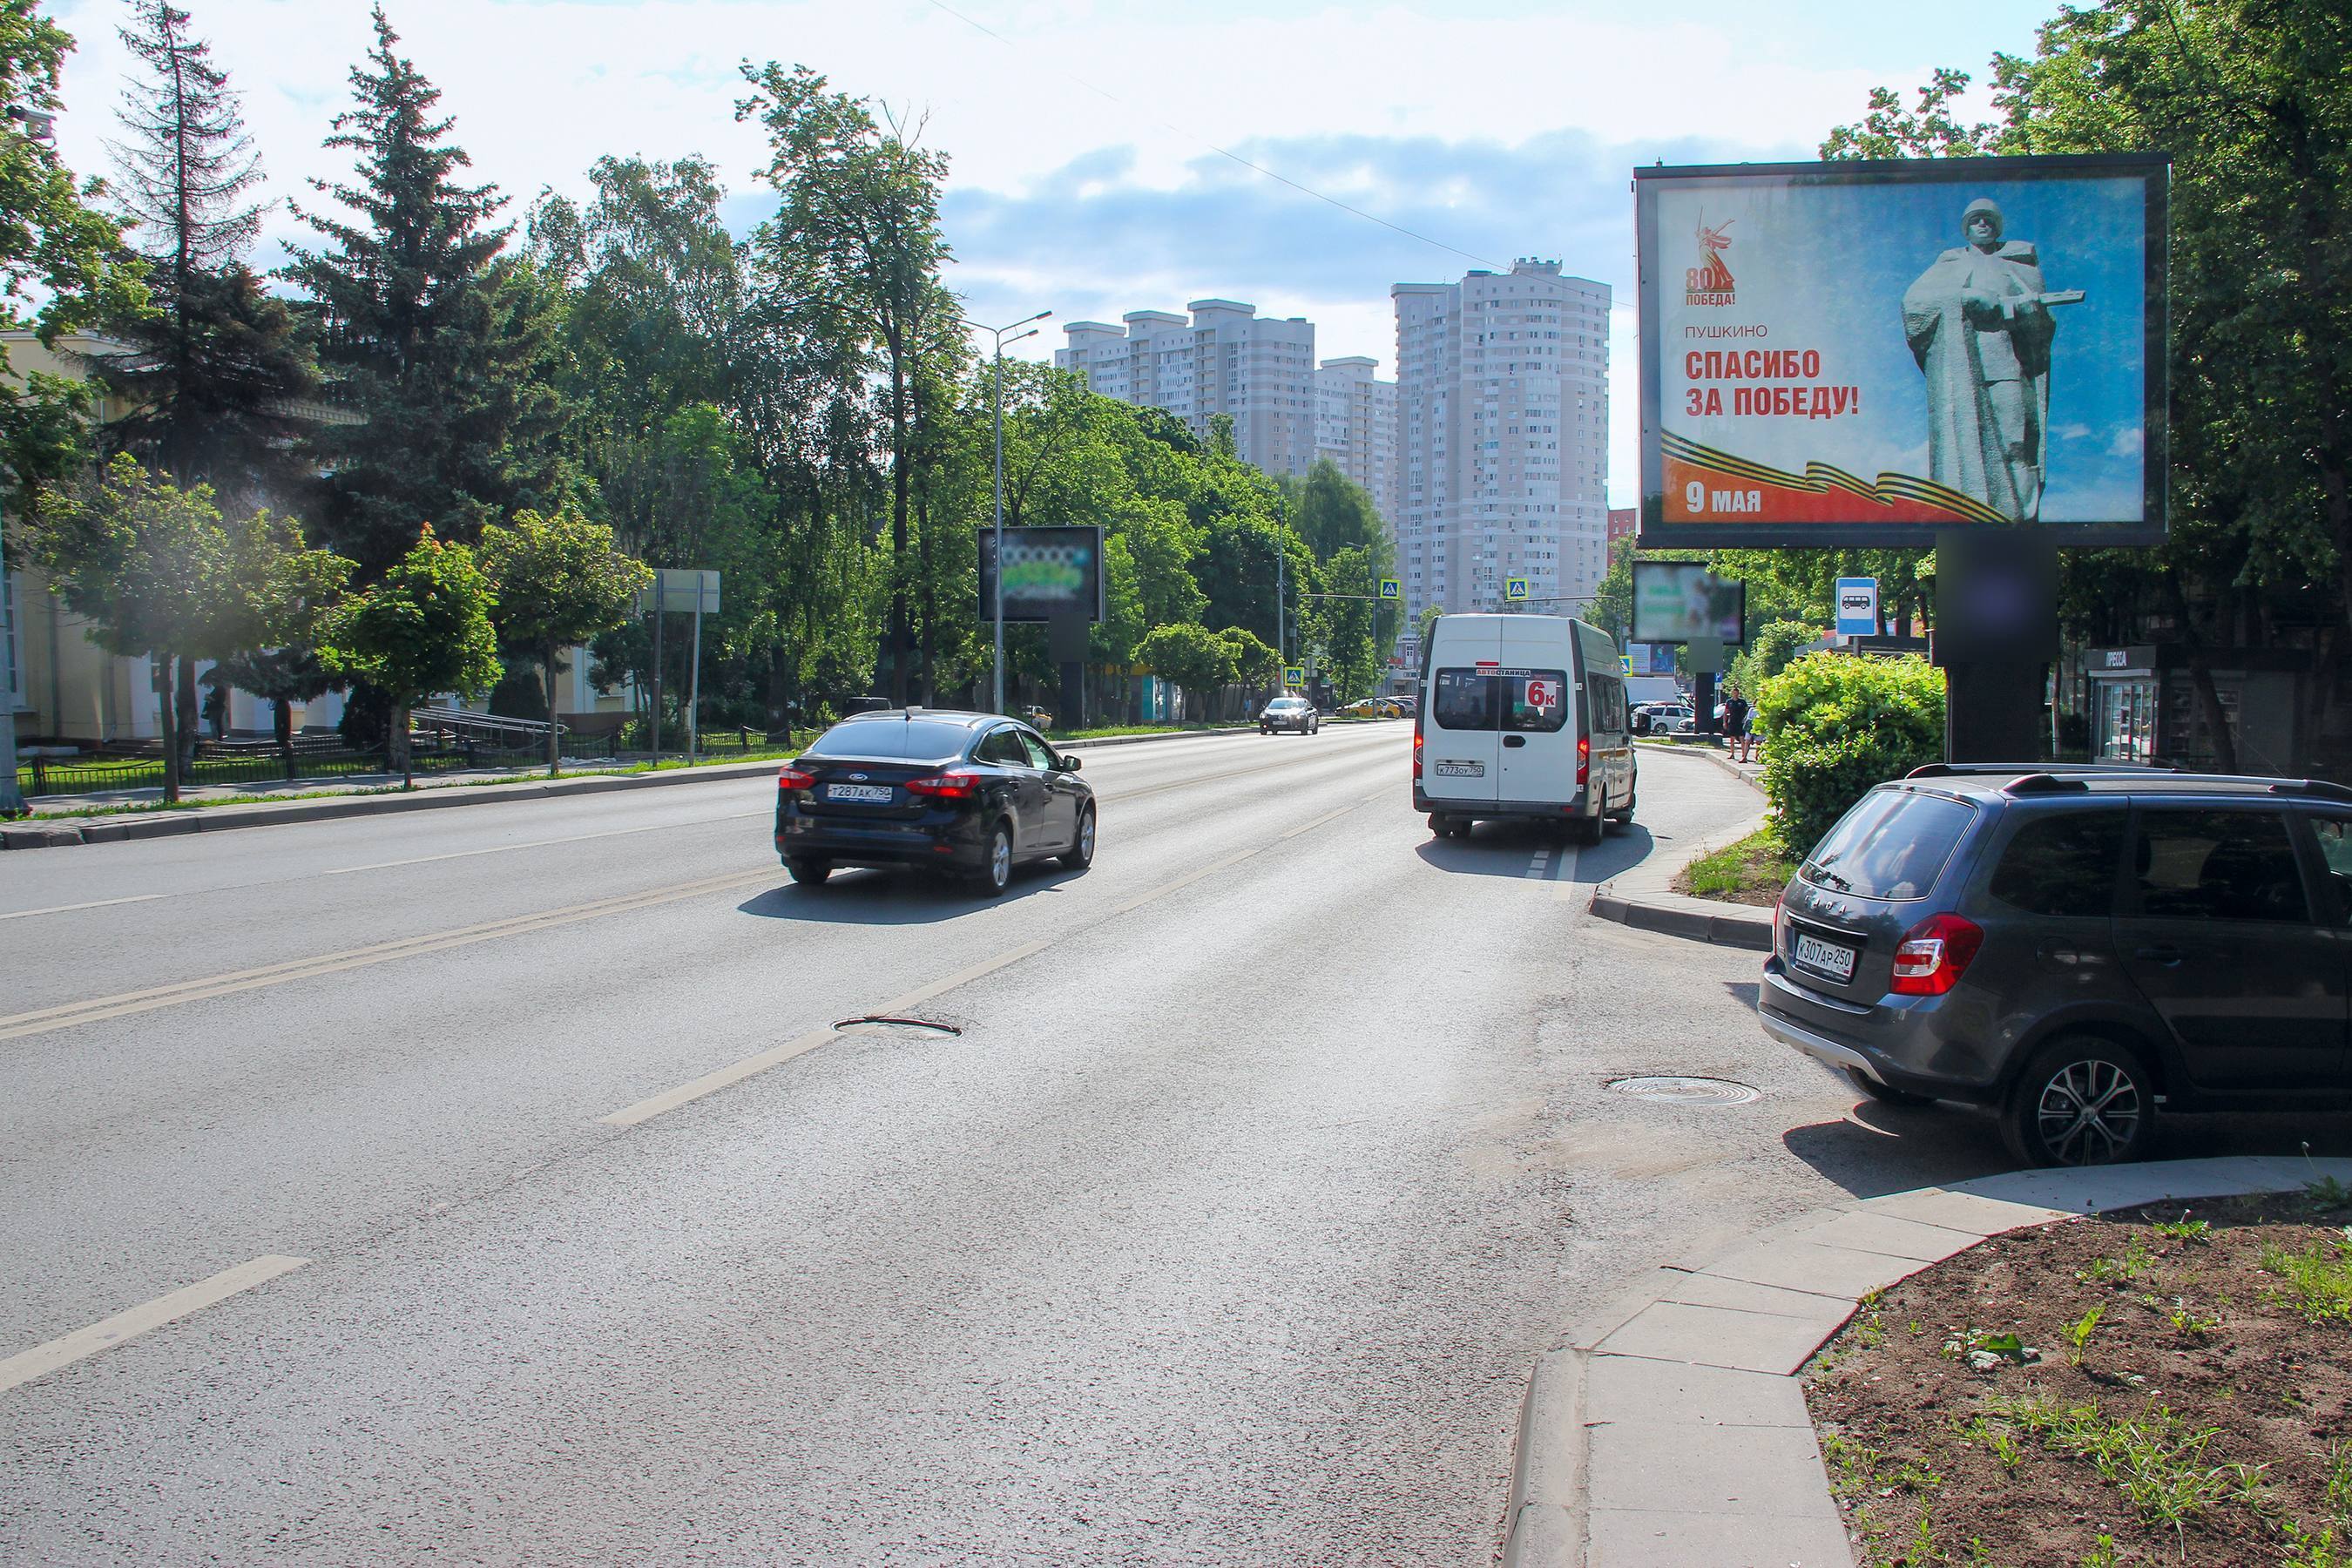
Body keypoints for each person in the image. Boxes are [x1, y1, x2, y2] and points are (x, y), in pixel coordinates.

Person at [1900, 197, 2069, 522]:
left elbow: (2041, 333)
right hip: (1964, 370)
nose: (1983, 224)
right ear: (1966, 228)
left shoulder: (2021, 269)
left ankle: (2019, 519)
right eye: (1976, 219)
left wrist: (2031, 314)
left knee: (2016, 443)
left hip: (2008, 365)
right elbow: (1915, 307)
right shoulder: (1947, 267)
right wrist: (1966, 298)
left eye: (1989, 220)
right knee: (1965, 445)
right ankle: (1969, 514)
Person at [1721, 683, 1754, 764]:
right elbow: (1726, 712)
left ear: (1738, 694)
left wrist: (1745, 720)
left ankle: (1744, 755)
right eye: (1734, 693)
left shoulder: (1742, 702)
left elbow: (1747, 711)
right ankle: (1732, 753)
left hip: (1740, 722)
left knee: (1741, 738)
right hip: (1732, 721)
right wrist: (1724, 722)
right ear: (1732, 693)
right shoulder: (1729, 702)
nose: (1735, 694)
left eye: (1737, 693)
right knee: (1731, 738)